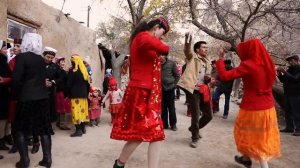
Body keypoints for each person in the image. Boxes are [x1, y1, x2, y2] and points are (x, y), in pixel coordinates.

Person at [111, 17, 170, 168]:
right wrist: (161, 47)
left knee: (154, 134)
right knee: (143, 134)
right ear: (156, 27)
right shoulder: (143, 37)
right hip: (141, 92)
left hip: (147, 92)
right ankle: (119, 164)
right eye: (162, 32)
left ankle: (119, 164)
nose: (162, 37)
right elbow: (164, 49)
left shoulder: (143, 39)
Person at [216, 39, 280, 168]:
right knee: (255, 135)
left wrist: (220, 58)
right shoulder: (267, 63)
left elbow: (224, 76)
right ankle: (246, 158)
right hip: (268, 108)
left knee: (251, 136)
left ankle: (263, 166)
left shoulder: (249, 65)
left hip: (253, 109)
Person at [12, 33, 53, 168]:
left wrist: (15, 94)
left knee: (20, 129)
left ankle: (25, 161)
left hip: (26, 98)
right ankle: (47, 159)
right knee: (44, 129)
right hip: (42, 98)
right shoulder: (41, 60)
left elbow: (16, 80)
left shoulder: (21, 57)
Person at [177, 33, 212, 148]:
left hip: (204, 90)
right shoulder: (192, 57)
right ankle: (194, 138)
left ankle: (193, 129)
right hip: (193, 89)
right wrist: (187, 39)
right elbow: (187, 50)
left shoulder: (208, 62)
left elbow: (207, 76)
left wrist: (209, 78)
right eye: (203, 47)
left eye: (207, 48)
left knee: (208, 115)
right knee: (196, 114)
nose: (206, 49)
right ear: (197, 49)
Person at [66, 55, 90, 137]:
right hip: (83, 95)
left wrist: (67, 93)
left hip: (75, 96)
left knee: (76, 112)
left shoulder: (72, 71)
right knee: (83, 112)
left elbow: (68, 84)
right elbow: (88, 84)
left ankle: (78, 130)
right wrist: (86, 93)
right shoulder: (84, 71)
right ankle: (83, 128)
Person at [277, 54, 300, 136]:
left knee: (296, 112)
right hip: (287, 93)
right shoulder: (289, 70)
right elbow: (283, 80)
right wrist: (279, 73)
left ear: (297, 61)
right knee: (288, 111)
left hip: (296, 94)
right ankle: (289, 127)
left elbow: (295, 79)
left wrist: (284, 72)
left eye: (291, 60)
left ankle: (298, 129)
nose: (290, 62)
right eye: (289, 61)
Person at [160, 55, 180, 131]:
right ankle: (164, 124)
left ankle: (173, 124)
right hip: (160, 89)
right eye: (159, 55)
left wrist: (174, 85)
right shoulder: (157, 64)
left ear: (165, 56)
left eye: (162, 55)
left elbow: (177, 76)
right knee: (163, 108)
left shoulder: (171, 63)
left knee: (171, 108)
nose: (160, 57)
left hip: (170, 89)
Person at [0, 40, 12, 158]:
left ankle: (3, 139)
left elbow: (9, 76)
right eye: (4, 48)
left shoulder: (4, 61)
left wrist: (5, 80)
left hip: (4, 94)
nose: (6, 50)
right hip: (2, 94)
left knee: (4, 118)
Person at [55, 57, 71, 130]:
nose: (63, 63)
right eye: (62, 61)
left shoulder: (59, 70)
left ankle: (58, 122)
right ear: (58, 62)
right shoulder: (60, 71)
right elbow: (63, 82)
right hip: (61, 91)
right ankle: (62, 124)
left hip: (58, 91)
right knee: (62, 108)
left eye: (64, 61)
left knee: (59, 107)